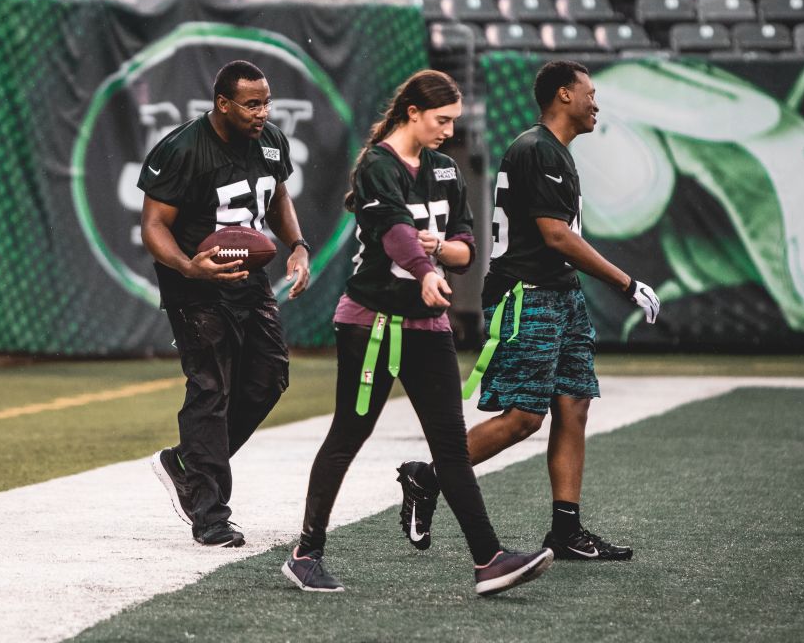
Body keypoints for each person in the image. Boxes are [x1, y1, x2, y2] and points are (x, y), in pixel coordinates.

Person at [282, 70, 554, 596]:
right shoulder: (377, 165)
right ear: (412, 112)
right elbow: (395, 234)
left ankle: (489, 560)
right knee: (349, 433)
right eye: (442, 119)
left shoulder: (446, 170)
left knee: (450, 446)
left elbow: (466, 246)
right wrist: (428, 269)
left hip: (427, 324)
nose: (449, 131)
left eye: (454, 121)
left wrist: (440, 254)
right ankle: (305, 553)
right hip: (373, 324)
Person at [395, 60, 661, 562]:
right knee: (523, 417)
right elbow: (556, 234)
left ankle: (565, 530)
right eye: (590, 92)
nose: (596, 102)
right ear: (564, 94)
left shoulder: (551, 150)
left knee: (574, 403)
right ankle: (427, 476)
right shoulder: (537, 149)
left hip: (560, 292)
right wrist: (627, 284)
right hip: (527, 292)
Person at [138, 60, 311, 548]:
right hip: (194, 284)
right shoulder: (182, 148)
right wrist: (189, 266)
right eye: (251, 104)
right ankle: (210, 514)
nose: (262, 112)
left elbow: (276, 196)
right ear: (222, 103)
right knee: (211, 388)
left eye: (266, 102)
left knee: (269, 377)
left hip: (248, 280)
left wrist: (298, 245)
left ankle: (189, 463)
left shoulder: (272, 140)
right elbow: (153, 225)